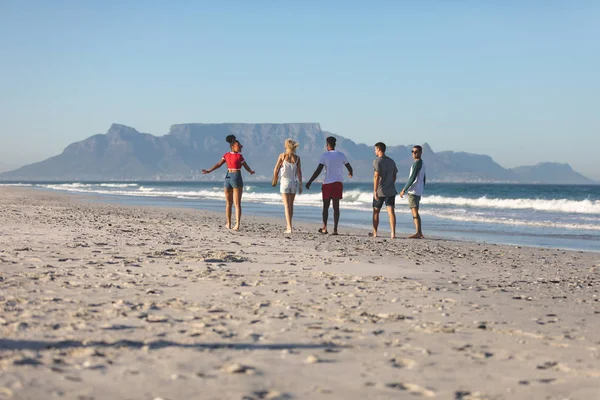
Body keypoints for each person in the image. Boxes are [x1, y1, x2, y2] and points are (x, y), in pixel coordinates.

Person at [202, 135, 255, 230]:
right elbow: (219, 164)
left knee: (237, 203)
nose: (241, 147)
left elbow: (246, 166)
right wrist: (209, 171)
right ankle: (229, 223)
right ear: (233, 147)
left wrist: (250, 171)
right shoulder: (226, 155)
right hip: (228, 178)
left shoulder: (239, 156)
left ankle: (237, 224)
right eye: (239, 145)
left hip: (236, 177)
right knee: (228, 203)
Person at [305, 136, 353, 235]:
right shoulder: (341, 155)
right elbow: (349, 167)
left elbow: (318, 170)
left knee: (325, 207)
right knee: (336, 207)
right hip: (338, 183)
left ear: (327, 145)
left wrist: (310, 181)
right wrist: (350, 173)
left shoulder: (324, 155)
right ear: (335, 144)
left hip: (327, 184)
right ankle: (335, 229)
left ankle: (324, 228)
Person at [272, 139, 303, 234]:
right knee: (291, 205)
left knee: (286, 206)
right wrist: (301, 184)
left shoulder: (282, 156)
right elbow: (299, 172)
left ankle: (289, 227)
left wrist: (275, 179)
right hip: (293, 183)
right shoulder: (297, 158)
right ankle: (289, 225)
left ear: (286, 146)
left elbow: (276, 168)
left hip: (285, 182)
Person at [372, 142, 398, 238]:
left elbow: (376, 176)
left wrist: (375, 190)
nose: (375, 151)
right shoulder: (391, 161)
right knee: (391, 211)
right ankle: (393, 233)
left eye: (375, 149)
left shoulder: (377, 161)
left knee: (376, 211)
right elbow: (394, 176)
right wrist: (390, 183)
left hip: (380, 190)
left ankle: (375, 233)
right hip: (390, 190)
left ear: (379, 149)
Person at [399, 145, 426, 238]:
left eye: (416, 151)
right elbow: (424, 178)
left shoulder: (417, 163)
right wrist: (422, 188)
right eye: (413, 151)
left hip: (414, 191)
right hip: (418, 191)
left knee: (414, 212)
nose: (414, 153)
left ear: (421, 152)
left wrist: (403, 189)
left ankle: (418, 232)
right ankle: (419, 232)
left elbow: (412, 177)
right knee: (415, 211)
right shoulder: (422, 163)